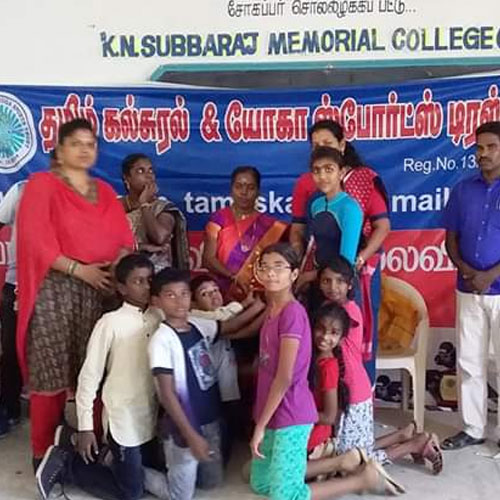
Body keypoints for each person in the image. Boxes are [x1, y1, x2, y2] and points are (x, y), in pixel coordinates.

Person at [16, 118, 134, 469]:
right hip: (55, 290)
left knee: (94, 369)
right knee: (49, 368)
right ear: (60, 149)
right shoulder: (42, 185)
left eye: (90, 144)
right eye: (76, 143)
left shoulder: (105, 191)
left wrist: (118, 263)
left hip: (101, 290)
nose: (84, 150)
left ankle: (91, 445)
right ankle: (43, 453)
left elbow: (124, 239)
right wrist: (80, 270)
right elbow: (35, 240)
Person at [249, 243, 400, 500]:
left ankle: (362, 479)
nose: (271, 273)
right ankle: (339, 462)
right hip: (271, 410)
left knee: (285, 495)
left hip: (290, 414)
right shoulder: (272, 310)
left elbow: (284, 377)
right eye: (265, 267)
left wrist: (260, 426)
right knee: (259, 483)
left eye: (279, 267)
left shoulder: (292, 314)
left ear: (294, 274)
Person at [35, 253, 168, 500]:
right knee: (132, 493)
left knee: (155, 471)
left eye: (150, 280)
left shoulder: (158, 316)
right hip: (122, 419)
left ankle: (89, 448)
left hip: (148, 416)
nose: (147, 286)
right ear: (122, 288)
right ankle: (67, 464)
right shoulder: (110, 323)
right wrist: (86, 428)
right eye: (138, 281)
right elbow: (89, 376)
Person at [290, 120, 390, 383]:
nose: (323, 175)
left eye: (327, 144)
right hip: (318, 278)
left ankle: (357, 399)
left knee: (348, 349)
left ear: (342, 146)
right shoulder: (313, 198)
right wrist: (300, 270)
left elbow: (375, 232)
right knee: (320, 346)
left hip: (345, 280)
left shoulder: (355, 195)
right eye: (315, 146)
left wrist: (357, 262)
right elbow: (302, 232)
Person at [310, 301, 442, 475]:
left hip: (354, 395)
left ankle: (413, 445)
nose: (325, 336)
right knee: (352, 448)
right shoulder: (332, 312)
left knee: (355, 463)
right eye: (320, 329)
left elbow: (328, 416)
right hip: (353, 391)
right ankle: (402, 435)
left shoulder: (349, 311)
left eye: (333, 332)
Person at [441, 121, 500, 450]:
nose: (484, 153)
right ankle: (473, 428)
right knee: (469, 361)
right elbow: (450, 238)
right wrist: (466, 270)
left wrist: (490, 275)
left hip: (499, 290)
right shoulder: (463, 190)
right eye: (480, 147)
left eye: (492, 147)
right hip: (467, 288)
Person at [148, 268, 225, 500]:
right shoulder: (161, 339)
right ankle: (131, 471)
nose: (179, 300)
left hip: (210, 418)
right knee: (180, 496)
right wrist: (190, 435)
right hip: (183, 426)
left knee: (211, 482)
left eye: (184, 293)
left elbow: (230, 328)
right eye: (170, 295)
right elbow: (167, 394)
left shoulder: (197, 325)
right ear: (156, 301)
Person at [202, 166, 287, 301]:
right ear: (231, 189)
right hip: (222, 293)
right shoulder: (219, 219)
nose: (244, 192)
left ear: (258, 192)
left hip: (257, 295)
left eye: (250, 187)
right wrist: (233, 277)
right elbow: (208, 259)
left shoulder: (269, 225)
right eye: (239, 186)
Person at [296, 146, 362, 292]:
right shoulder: (316, 205)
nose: (322, 176)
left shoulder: (349, 208)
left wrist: (308, 276)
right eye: (316, 171)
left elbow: (346, 262)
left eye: (329, 169)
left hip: (340, 286)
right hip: (318, 282)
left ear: (342, 173)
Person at [121, 153, 189, 271]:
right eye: (140, 171)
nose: (149, 176)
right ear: (127, 178)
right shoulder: (115, 206)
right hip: (121, 270)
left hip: (157, 273)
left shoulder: (164, 207)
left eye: (151, 170)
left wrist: (144, 204)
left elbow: (159, 237)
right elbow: (105, 242)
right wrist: (140, 247)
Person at [0, 180, 26, 437]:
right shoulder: (20, 189)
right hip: (16, 284)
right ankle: (10, 408)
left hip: (52, 288)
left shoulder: (71, 192)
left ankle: (56, 414)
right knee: (10, 350)